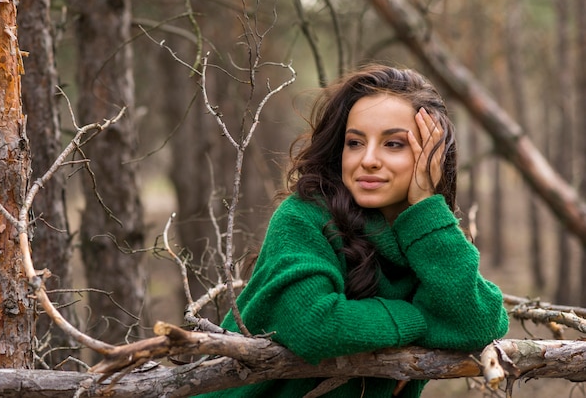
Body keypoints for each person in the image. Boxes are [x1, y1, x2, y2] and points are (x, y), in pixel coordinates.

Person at [197, 64, 509, 397]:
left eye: (393, 144)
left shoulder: (429, 235)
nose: (369, 159)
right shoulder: (303, 216)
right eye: (355, 142)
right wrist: (420, 319)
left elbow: (481, 323)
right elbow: (314, 325)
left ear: (432, 157)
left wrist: (426, 212)